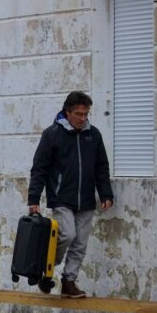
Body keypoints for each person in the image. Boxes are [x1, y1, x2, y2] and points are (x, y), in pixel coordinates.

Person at [27, 91, 114, 298]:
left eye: (86, 114)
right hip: (61, 197)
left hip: (86, 199)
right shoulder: (52, 134)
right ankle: (46, 268)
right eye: (78, 114)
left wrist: (105, 193)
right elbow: (39, 168)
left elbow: (101, 167)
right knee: (67, 234)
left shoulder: (93, 135)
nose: (83, 118)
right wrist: (34, 198)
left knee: (80, 244)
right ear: (68, 112)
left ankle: (69, 281)